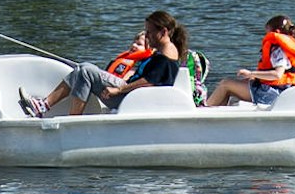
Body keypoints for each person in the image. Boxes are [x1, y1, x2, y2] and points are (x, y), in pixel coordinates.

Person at [20, 11, 188, 118]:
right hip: (132, 95)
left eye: (150, 32)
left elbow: (150, 81)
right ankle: (46, 106)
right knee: (83, 69)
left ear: (163, 32)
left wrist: (118, 89)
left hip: (131, 97)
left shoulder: (166, 55)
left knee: (86, 71)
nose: (148, 36)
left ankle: (65, 117)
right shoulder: (166, 52)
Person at [204, 15, 295, 107]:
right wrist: (255, 77)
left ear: (276, 32)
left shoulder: (278, 50)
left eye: (267, 32)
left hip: (272, 94)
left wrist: (250, 73)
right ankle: (216, 116)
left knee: (225, 84)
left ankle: (203, 113)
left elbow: (277, 75)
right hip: (279, 90)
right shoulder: (287, 47)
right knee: (233, 86)